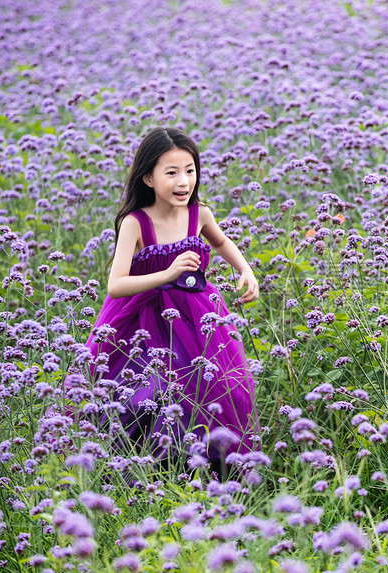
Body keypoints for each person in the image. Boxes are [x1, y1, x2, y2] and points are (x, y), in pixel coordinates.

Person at [81, 127, 259, 476]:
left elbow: (222, 243)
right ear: (148, 178)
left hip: (199, 317)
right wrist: (167, 273)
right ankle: (145, 471)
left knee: (222, 388)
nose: (183, 181)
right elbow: (116, 285)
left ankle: (218, 469)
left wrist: (245, 269)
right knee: (148, 394)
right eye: (172, 172)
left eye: (190, 170)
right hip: (143, 323)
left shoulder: (199, 213)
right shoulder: (137, 223)